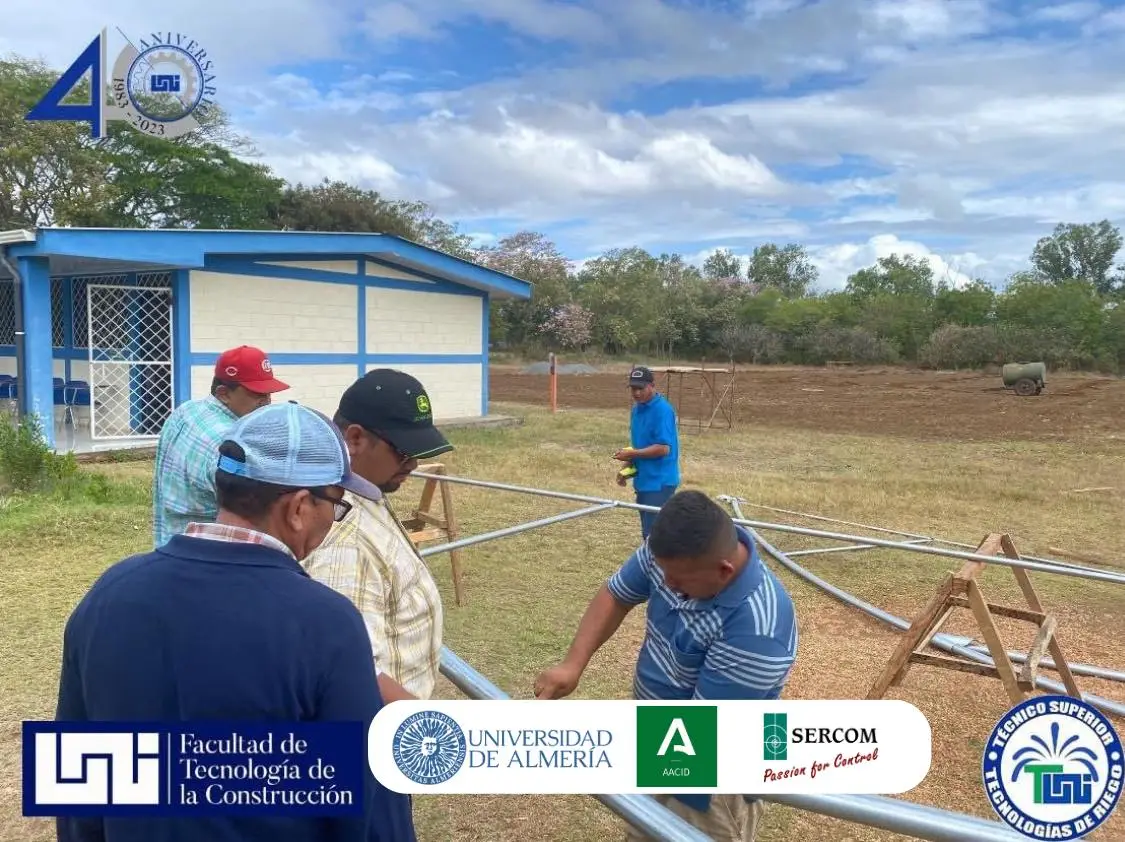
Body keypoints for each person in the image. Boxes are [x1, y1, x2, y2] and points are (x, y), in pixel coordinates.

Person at [55, 401, 416, 842]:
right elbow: (367, 806)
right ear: (299, 507)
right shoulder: (326, 624)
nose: (332, 521)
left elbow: (76, 790)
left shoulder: (108, 595)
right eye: (337, 505)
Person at [534, 490, 798, 842]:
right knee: (644, 830)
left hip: (710, 781)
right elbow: (617, 594)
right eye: (662, 572)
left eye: (678, 580)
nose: (667, 585)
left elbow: (695, 738)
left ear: (724, 571)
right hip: (659, 740)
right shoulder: (675, 555)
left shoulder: (759, 631)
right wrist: (573, 665)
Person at [302, 369, 453, 704]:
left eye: (420, 451)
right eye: (403, 450)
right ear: (355, 438)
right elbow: (352, 673)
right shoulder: (345, 541)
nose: (414, 463)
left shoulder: (364, 492)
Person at [151, 345, 290, 547]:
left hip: (169, 541)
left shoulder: (186, 411)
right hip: (207, 553)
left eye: (268, 393)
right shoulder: (231, 442)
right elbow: (252, 517)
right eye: (257, 394)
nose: (266, 402)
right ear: (224, 393)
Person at [613, 365, 680, 540]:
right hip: (643, 481)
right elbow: (639, 445)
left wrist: (632, 455)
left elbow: (663, 448)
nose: (636, 393)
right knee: (648, 533)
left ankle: (661, 566)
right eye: (633, 389)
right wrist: (626, 468)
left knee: (655, 537)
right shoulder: (637, 409)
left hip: (660, 483)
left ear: (652, 385)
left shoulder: (663, 411)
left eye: (640, 388)